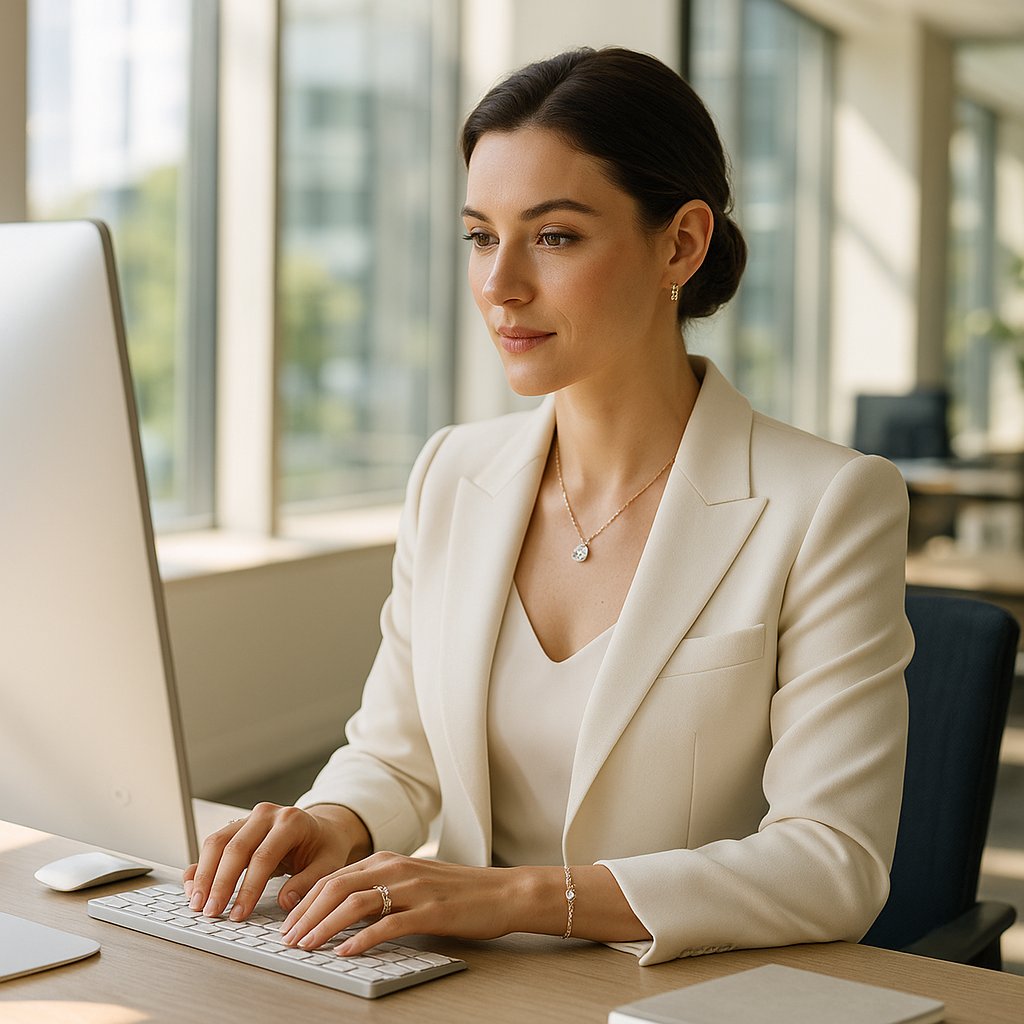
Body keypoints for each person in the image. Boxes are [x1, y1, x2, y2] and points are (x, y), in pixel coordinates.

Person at [184, 46, 913, 966]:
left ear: (680, 244)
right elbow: (398, 753)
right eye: (482, 236)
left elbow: (831, 861)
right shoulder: (452, 471)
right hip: (447, 977)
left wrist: (520, 899)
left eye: (555, 236)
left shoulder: (827, 503)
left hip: (669, 993)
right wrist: (338, 821)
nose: (500, 285)